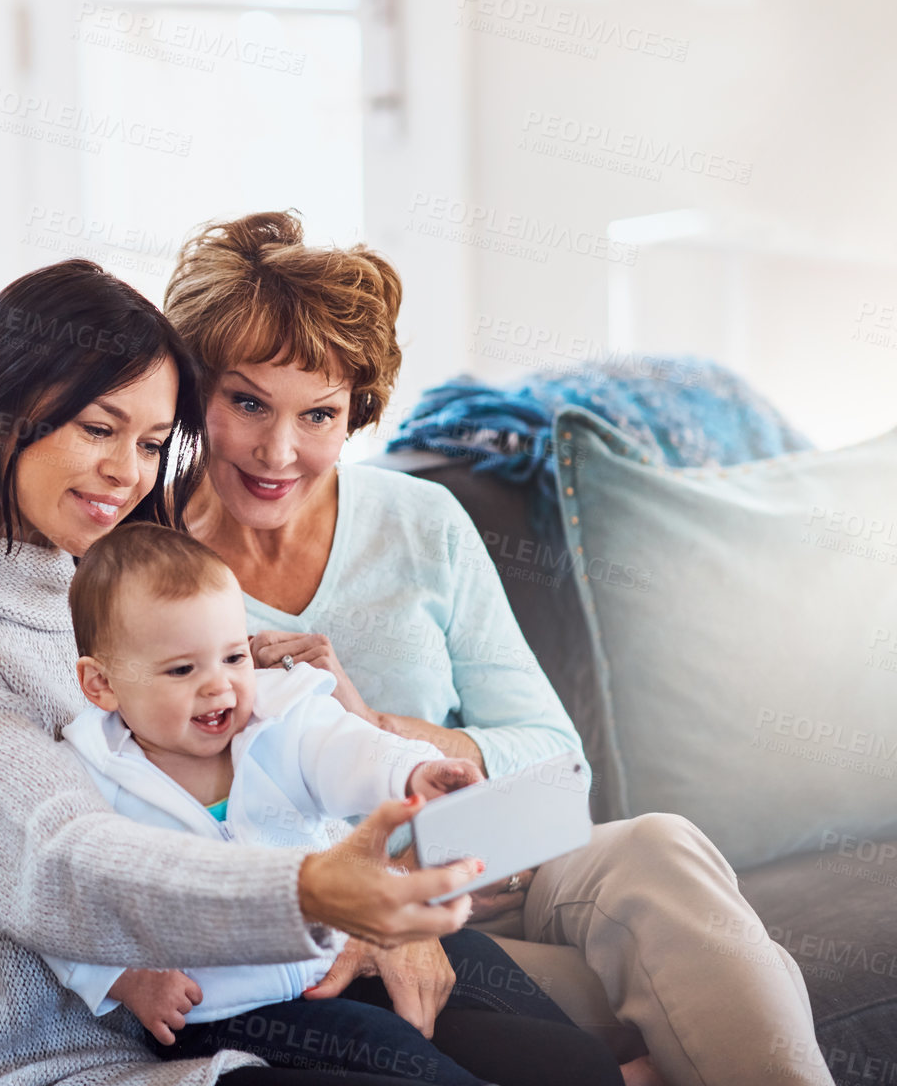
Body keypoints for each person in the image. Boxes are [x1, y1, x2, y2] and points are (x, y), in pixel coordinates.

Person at [159, 210, 833, 1086]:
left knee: (660, 844)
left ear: (354, 412)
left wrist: (381, 725)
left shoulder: (419, 521)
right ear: (194, 389)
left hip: (517, 868)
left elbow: (558, 757)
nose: (279, 451)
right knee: (720, 993)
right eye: (247, 402)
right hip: (379, 921)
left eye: (318, 414)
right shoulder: (147, 581)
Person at [0, 258, 491, 1086]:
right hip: (86, 1059)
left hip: (271, 978)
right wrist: (311, 891)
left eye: (149, 442)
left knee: (569, 1062)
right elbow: (65, 860)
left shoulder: (110, 578)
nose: (127, 472)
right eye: (98, 429)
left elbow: (272, 760)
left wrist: (372, 903)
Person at [36, 521, 623, 1086]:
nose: (219, 686)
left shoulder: (278, 718)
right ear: (102, 685)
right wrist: (125, 979)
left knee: (488, 974)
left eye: (235, 657)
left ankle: (597, 1068)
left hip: (340, 952)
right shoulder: (87, 777)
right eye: (183, 669)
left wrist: (415, 770)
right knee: (387, 1048)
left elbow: (350, 750)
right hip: (239, 1013)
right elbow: (62, 902)